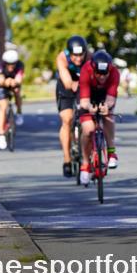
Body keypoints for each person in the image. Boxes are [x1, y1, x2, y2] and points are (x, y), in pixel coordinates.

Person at [76, 49, 120, 185]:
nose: (102, 77)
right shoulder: (86, 70)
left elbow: (111, 98)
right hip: (88, 95)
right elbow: (84, 101)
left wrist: (106, 106)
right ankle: (84, 164)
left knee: (108, 116)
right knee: (88, 129)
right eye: (98, 74)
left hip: (104, 96)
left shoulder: (114, 73)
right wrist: (89, 107)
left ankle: (112, 152)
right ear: (93, 69)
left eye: (104, 74)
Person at [55, 35, 89, 176]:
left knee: (89, 118)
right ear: (69, 53)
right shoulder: (62, 57)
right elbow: (68, 81)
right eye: (75, 56)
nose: (79, 59)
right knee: (67, 119)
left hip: (85, 85)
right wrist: (73, 84)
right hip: (66, 86)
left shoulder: (90, 57)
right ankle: (67, 159)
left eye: (81, 55)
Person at [0, 48, 25, 149]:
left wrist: (14, 82)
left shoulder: (20, 65)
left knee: (17, 92)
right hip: (2, 85)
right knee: (3, 106)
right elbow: (0, 80)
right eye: (9, 64)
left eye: (13, 64)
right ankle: (1, 134)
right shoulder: (0, 65)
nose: (11, 66)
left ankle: (19, 112)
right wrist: (5, 81)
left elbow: (19, 79)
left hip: (14, 83)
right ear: (5, 63)